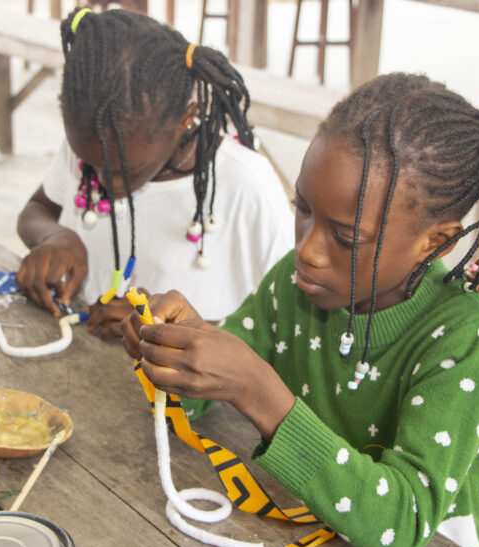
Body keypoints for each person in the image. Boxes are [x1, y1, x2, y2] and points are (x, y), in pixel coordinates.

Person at [122, 73, 479, 547]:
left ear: (436, 242)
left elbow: (399, 529)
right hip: (304, 544)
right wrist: (173, 348)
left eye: (345, 235)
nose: (308, 250)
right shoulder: (300, 283)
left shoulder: (472, 335)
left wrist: (257, 390)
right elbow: (202, 393)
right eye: (303, 209)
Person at [16, 7, 293, 338]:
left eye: (126, 171)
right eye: (92, 164)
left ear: (185, 118)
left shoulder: (246, 185)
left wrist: (176, 329)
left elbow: (290, 329)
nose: (105, 182)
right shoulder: (98, 146)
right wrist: (55, 236)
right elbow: (35, 211)